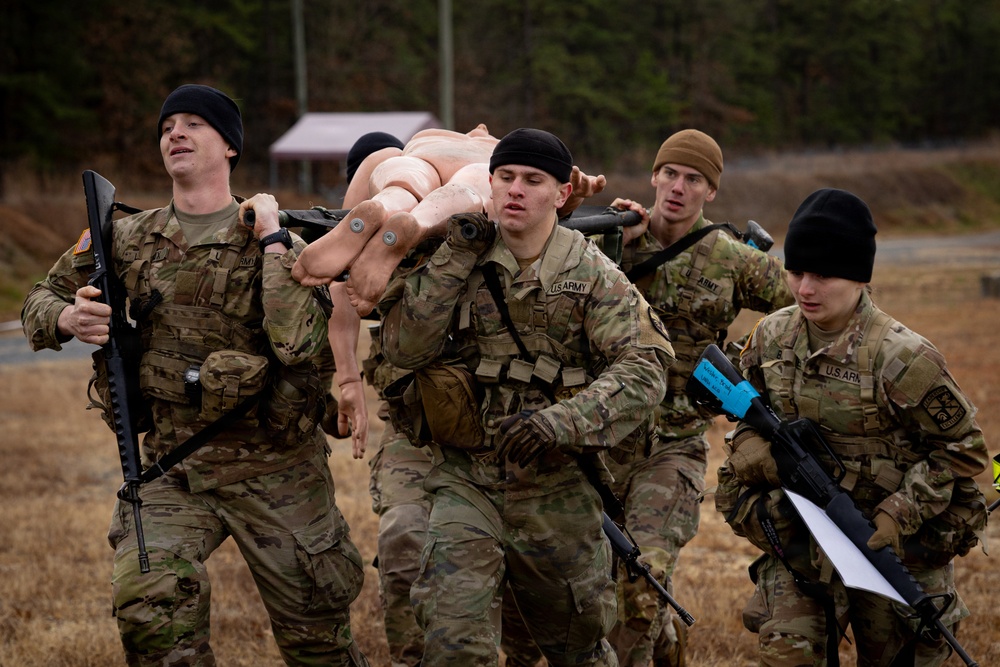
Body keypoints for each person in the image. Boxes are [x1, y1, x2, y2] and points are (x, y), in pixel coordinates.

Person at [20, 84, 369, 666]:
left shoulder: (277, 237)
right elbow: (41, 297)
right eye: (167, 127)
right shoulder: (125, 237)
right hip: (172, 466)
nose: (175, 134)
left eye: (193, 125)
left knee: (317, 640)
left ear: (230, 146)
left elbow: (303, 344)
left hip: (276, 466)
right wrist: (66, 317)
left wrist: (274, 242)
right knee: (149, 610)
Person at [378, 127, 676, 666]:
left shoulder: (591, 275)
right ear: (489, 185)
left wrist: (561, 422)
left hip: (555, 491)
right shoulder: (457, 257)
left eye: (533, 180)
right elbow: (403, 349)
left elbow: (646, 366)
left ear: (561, 195)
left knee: (577, 648)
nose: (515, 190)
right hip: (466, 481)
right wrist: (452, 259)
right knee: (452, 643)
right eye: (505, 177)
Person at [717, 188, 989, 665]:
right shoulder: (772, 335)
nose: (804, 289)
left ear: (860, 278)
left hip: (890, 545)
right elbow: (741, 404)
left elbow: (963, 450)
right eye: (797, 272)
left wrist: (899, 512)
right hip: (804, 538)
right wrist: (749, 443)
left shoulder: (901, 357)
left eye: (822, 275)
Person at [604, 129, 795, 666]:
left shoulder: (732, 259)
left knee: (643, 580)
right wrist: (620, 237)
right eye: (670, 174)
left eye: (694, 179)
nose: (679, 187)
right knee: (589, 589)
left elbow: (810, 304)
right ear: (653, 177)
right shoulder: (612, 240)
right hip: (598, 439)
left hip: (673, 445)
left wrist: (744, 356)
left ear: (711, 192)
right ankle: (666, 645)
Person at [293, 125, 606, 316]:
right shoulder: (495, 151)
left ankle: (387, 206)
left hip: (421, 155)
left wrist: (348, 379)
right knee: (465, 189)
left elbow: (348, 213)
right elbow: (556, 207)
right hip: (474, 166)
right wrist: (580, 193)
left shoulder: (418, 141)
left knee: (399, 185)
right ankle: (417, 225)